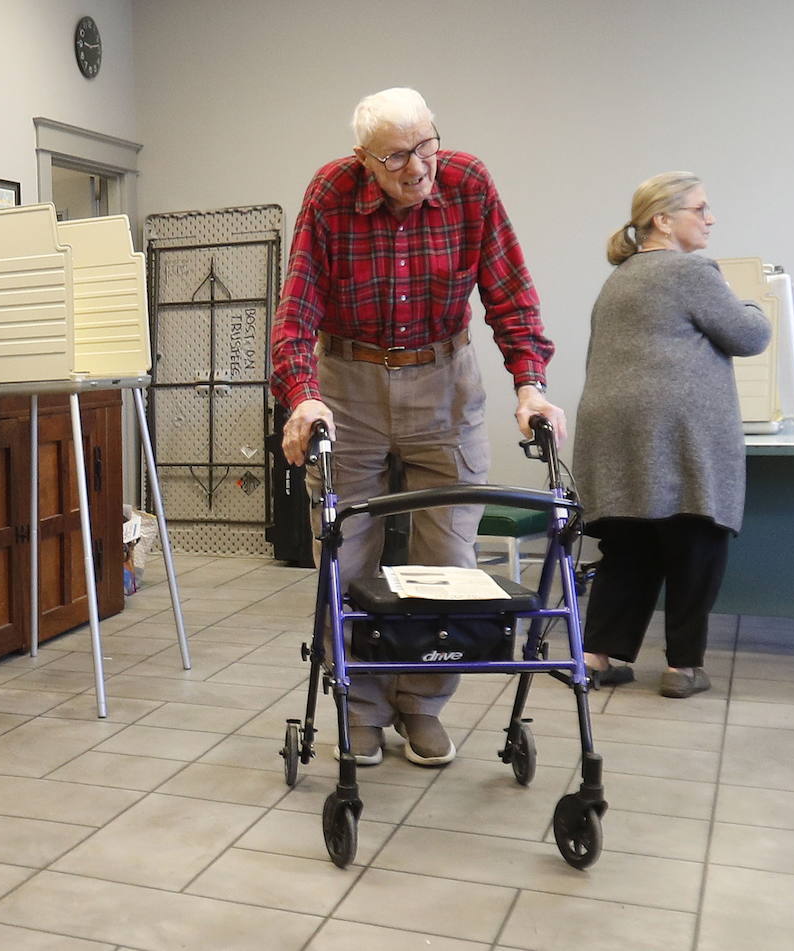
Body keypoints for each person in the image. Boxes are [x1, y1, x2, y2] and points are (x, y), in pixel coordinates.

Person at [272, 87, 566, 767]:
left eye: (426, 145)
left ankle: (423, 702)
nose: (418, 166)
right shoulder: (330, 192)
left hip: (444, 380)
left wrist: (529, 386)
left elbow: (511, 292)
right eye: (398, 155)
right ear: (364, 160)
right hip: (350, 382)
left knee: (450, 561)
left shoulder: (468, 182)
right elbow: (297, 311)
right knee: (346, 559)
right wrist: (302, 397)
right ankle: (364, 705)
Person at [572, 171, 770, 699]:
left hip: (613, 433)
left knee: (629, 545)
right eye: (700, 208)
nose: (711, 218)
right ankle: (683, 668)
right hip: (678, 434)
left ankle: (597, 657)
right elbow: (751, 334)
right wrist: (750, 298)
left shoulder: (620, 276)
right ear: (663, 219)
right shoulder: (692, 271)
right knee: (694, 539)